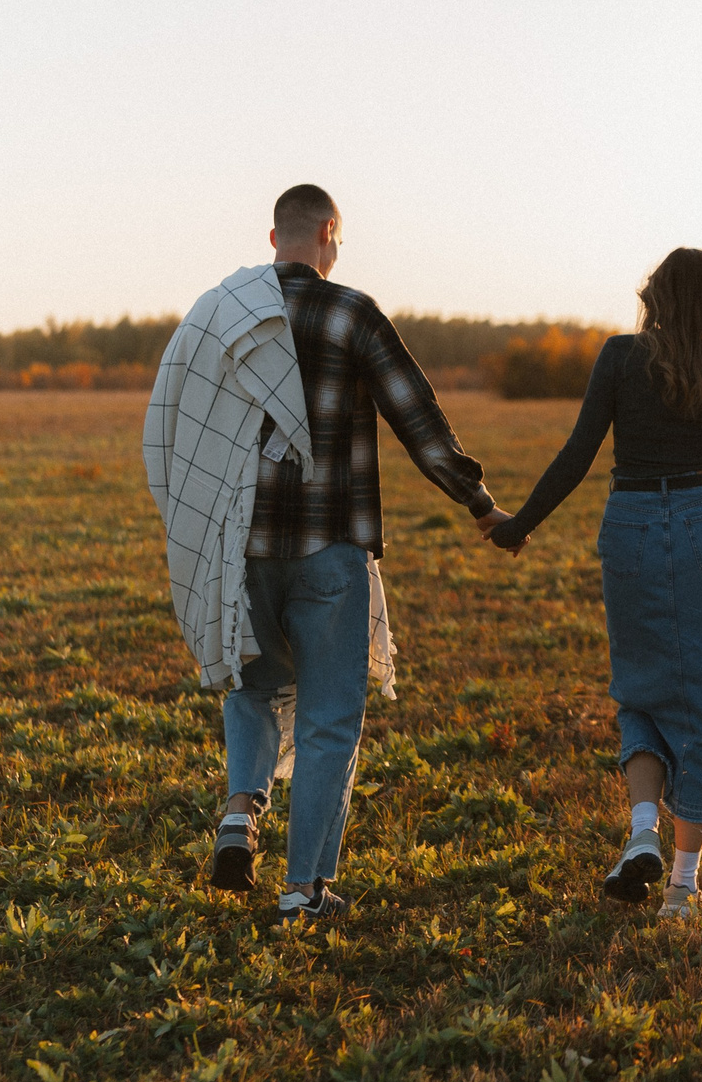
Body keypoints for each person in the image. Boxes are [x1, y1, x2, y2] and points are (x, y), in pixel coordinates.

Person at [145, 184, 511, 924]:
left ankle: (240, 812)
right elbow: (418, 420)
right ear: (328, 233)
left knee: (252, 686)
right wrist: (480, 504)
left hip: (242, 550)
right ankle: (303, 889)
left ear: (273, 237)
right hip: (328, 551)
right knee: (328, 720)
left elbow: (176, 421)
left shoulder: (219, 314)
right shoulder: (351, 313)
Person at [488, 248, 702, 918]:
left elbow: (578, 452)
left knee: (640, 683)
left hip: (631, 523)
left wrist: (520, 524)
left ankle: (644, 829)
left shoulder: (619, 356)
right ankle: (682, 886)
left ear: (656, 297)